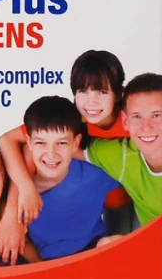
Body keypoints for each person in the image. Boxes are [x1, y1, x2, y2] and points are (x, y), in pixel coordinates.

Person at [0, 50, 130, 224]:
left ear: (119, 94)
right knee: (35, 148)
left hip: (133, 196)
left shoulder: (134, 120)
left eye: (102, 92)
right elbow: (7, 140)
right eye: (83, 91)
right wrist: (26, 189)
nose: (91, 102)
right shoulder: (73, 120)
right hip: (99, 198)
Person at [17, 96, 128, 259]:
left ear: (76, 143)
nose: (51, 154)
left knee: (111, 243)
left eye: (61, 143)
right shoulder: (16, 184)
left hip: (92, 252)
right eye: (41, 143)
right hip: (40, 259)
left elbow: (122, 207)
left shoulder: (97, 173)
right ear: (29, 142)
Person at [81, 73, 162, 226]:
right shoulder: (122, 156)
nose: (146, 127)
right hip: (146, 234)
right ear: (126, 121)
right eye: (137, 117)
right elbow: (61, 147)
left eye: (157, 115)